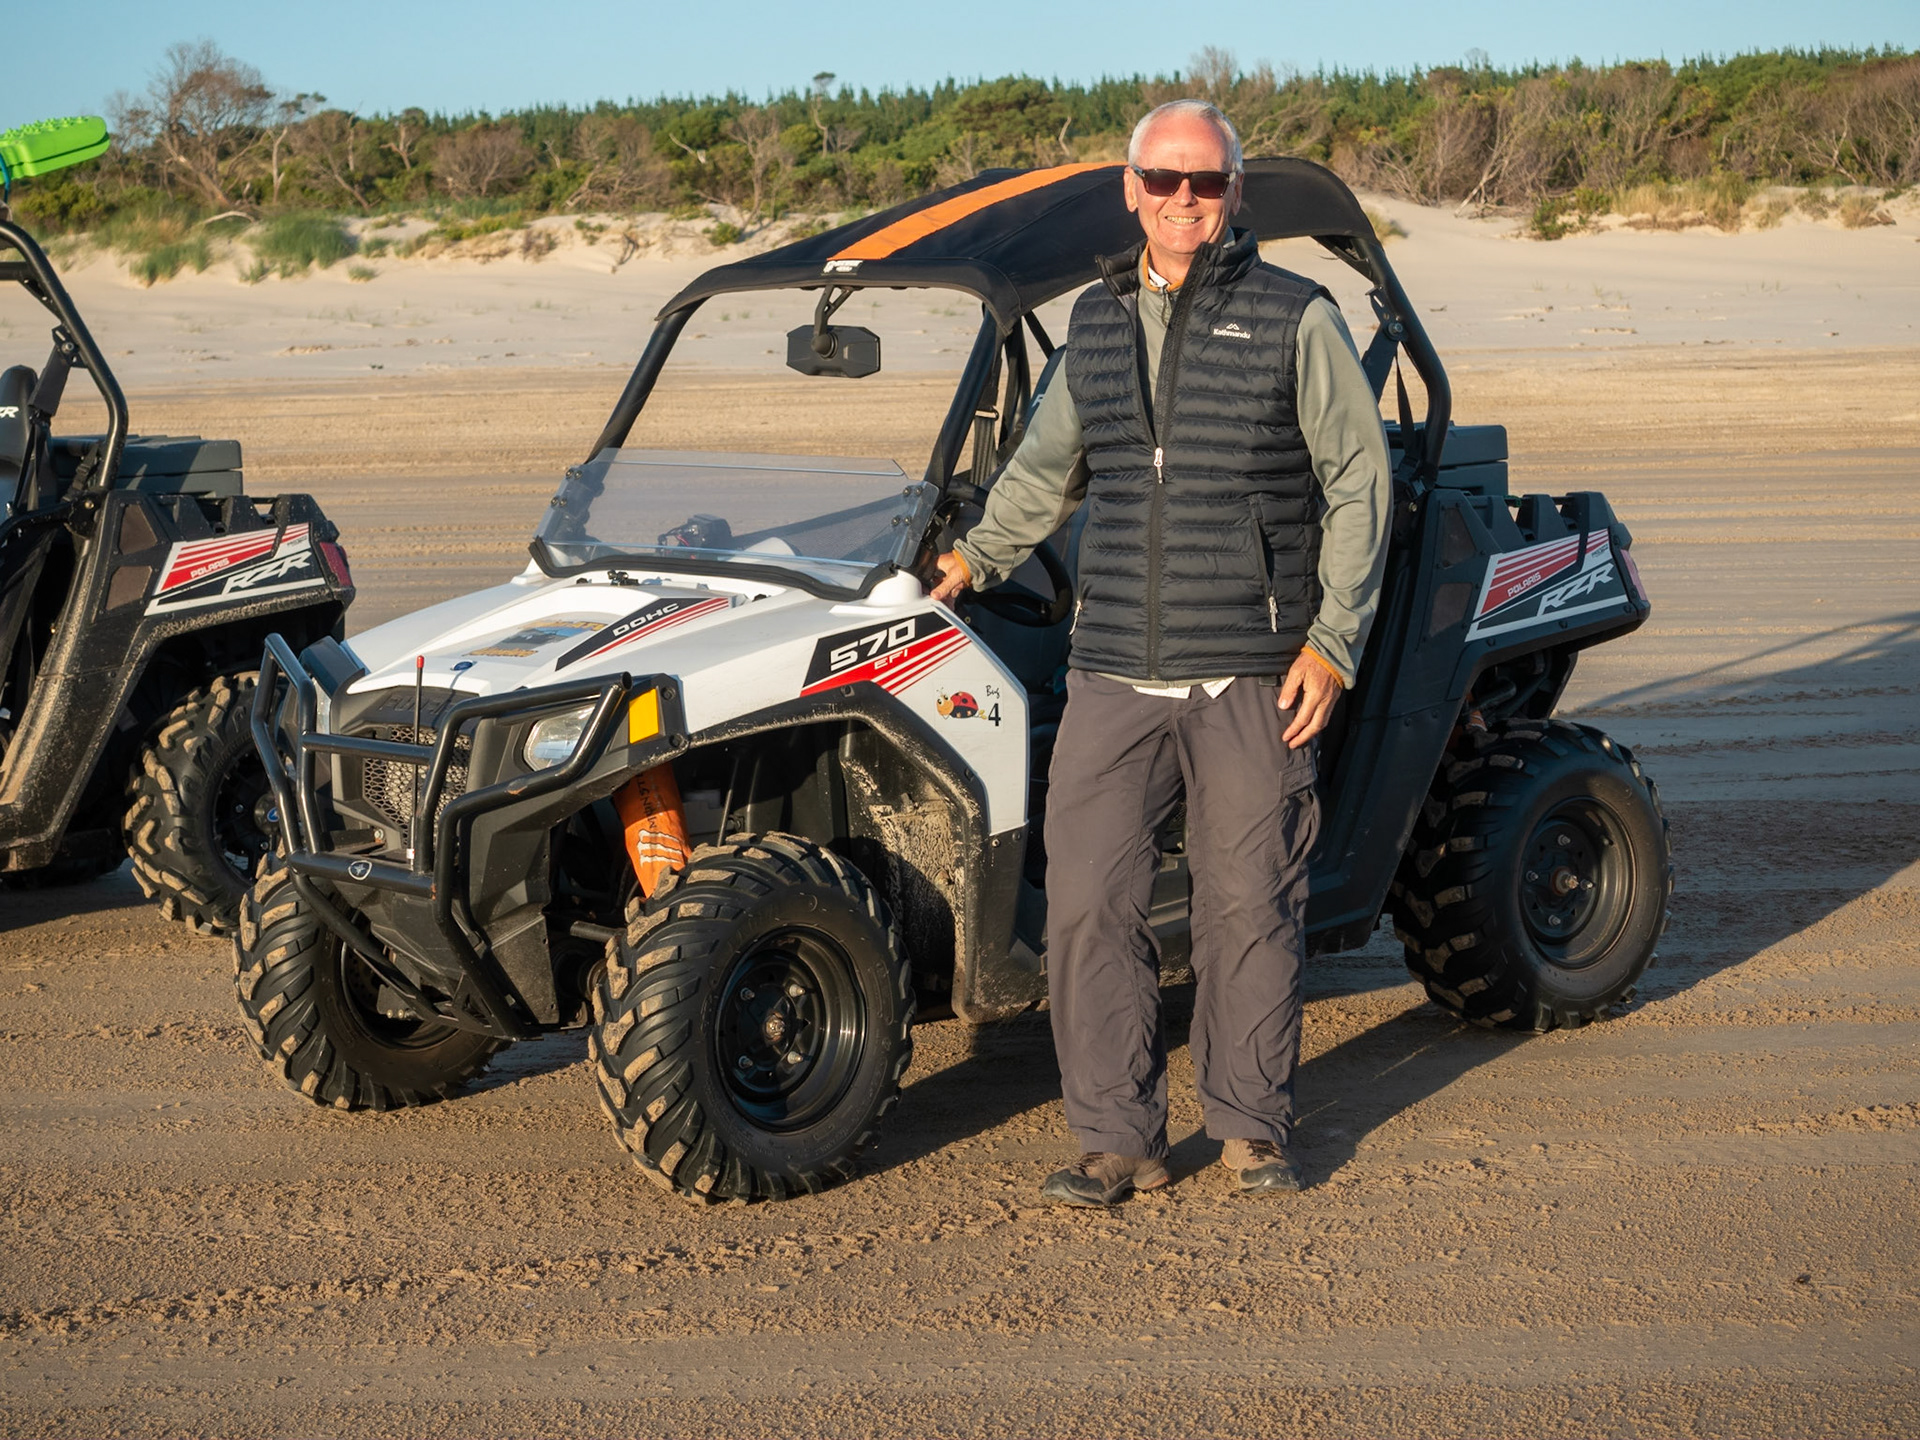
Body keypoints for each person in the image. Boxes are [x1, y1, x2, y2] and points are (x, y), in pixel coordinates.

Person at [929, 100, 1392, 1205]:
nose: (1187, 198)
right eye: (1165, 179)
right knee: (1089, 904)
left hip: (1251, 667)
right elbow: (1044, 472)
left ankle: (1250, 1128)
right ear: (1131, 189)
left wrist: (1331, 646)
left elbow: (1360, 483)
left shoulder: (1296, 316)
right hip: (1112, 671)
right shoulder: (1092, 323)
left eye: (1210, 182)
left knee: (1250, 901)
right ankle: (1116, 1139)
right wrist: (971, 563)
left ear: (1236, 196)